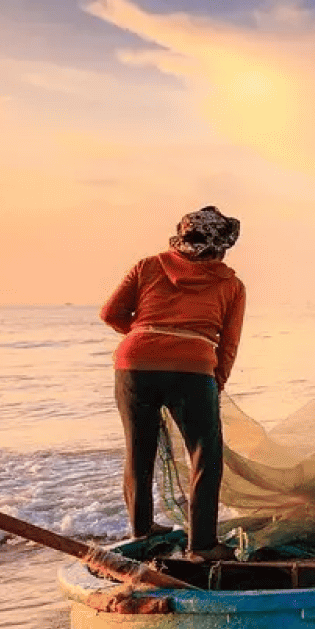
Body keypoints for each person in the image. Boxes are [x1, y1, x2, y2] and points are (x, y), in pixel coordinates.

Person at [99, 205, 246, 562]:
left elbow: (110, 313)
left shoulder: (147, 266)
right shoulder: (231, 284)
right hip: (192, 368)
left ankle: (142, 531)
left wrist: (144, 336)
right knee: (204, 455)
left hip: (134, 364)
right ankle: (203, 545)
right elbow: (228, 344)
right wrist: (217, 382)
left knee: (138, 450)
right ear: (221, 244)